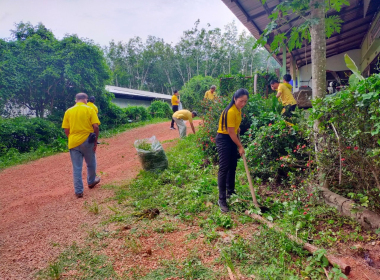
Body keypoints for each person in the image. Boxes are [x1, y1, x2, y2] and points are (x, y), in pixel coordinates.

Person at [62, 93, 101, 198]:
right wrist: (95, 141)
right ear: (85, 99)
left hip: (73, 142)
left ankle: (78, 191)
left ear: (76, 100)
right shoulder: (90, 109)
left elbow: (66, 130)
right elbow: (96, 127)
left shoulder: (68, 111)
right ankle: (91, 181)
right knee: (91, 163)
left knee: (77, 167)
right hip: (87, 140)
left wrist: (72, 138)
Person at [216, 88, 249, 213]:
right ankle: (222, 199)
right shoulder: (230, 111)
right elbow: (230, 132)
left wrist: (237, 127)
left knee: (233, 166)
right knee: (224, 168)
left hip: (231, 137)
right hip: (224, 139)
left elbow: (233, 127)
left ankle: (231, 192)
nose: (243, 104)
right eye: (241, 101)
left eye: (245, 101)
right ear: (235, 99)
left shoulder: (237, 110)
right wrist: (240, 146)